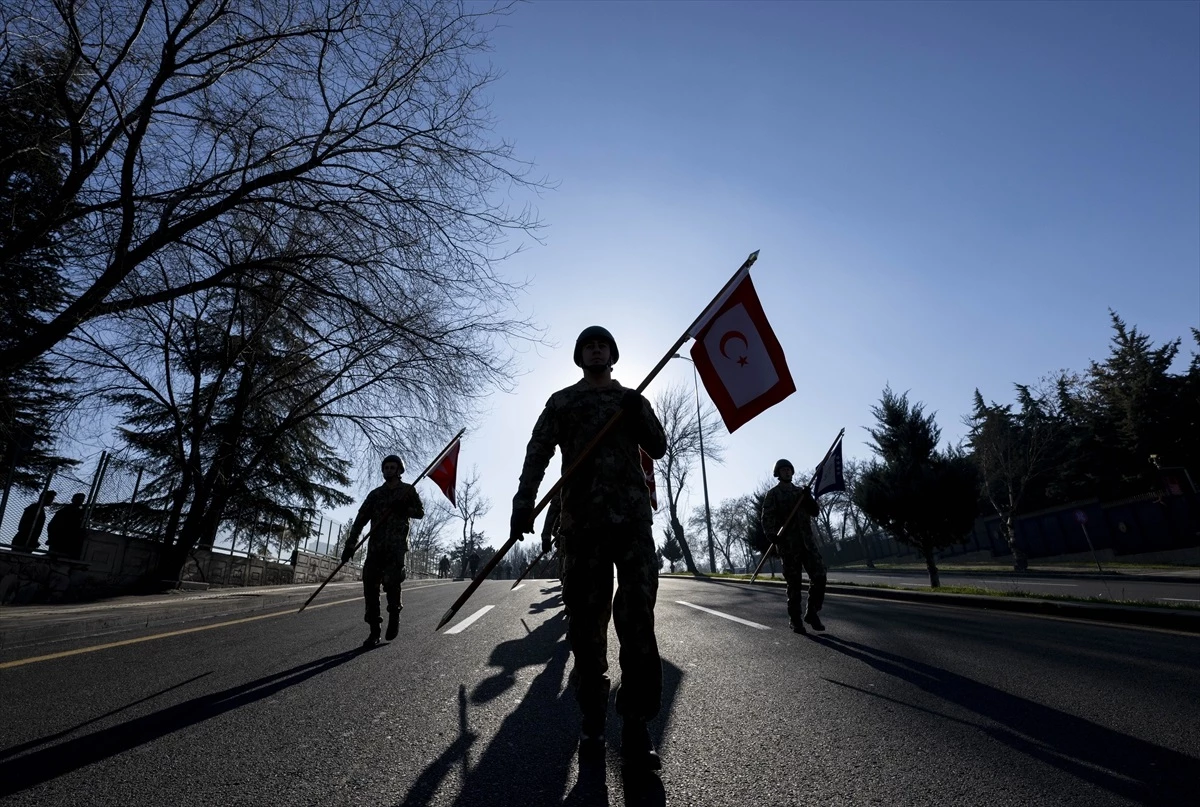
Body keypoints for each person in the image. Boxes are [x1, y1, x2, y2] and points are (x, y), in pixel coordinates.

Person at [510, 325, 668, 770]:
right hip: (582, 527)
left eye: (602, 344)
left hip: (633, 523)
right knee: (586, 624)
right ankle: (593, 722)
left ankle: (636, 724)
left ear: (613, 354)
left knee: (637, 618)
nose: (595, 350)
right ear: (579, 357)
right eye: (588, 345)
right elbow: (537, 452)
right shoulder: (562, 402)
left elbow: (657, 446)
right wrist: (524, 501)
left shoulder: (630, 399)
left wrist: (640, 412)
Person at [343, 455, 424, 647]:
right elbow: (360, 519)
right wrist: (350, 543)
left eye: (392, 467)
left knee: (392, 584)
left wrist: (403, 507)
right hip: (375, 548)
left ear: (399, 470)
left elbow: (420, 512)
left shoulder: (407, 491)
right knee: (370, 587)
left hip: (396, 549)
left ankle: (394, 615)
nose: (388, 470)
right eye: (386, 467)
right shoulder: (375, 494)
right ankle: (374, 631)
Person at [760, 459, 827, 633]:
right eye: (783, 470)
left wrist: (808, 498)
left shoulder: (800, 492)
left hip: (807, 544)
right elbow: (767, 517)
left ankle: (812, 613)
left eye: (789, 469)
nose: (787, 472)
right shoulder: (773, 494)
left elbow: (815, 512)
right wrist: (772, 535)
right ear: (778, 473)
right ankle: (795, 619)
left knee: (819, 576)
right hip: (789, 546)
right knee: (794, 583)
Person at [47, 493, 88, 560]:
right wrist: (52, 538)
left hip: (71, 541)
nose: (80, 501)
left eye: (82, 499)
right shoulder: (65, 511)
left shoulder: (81, 513)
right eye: (78, 499)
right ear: (73, 500)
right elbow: (52, 525)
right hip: (61, 540)